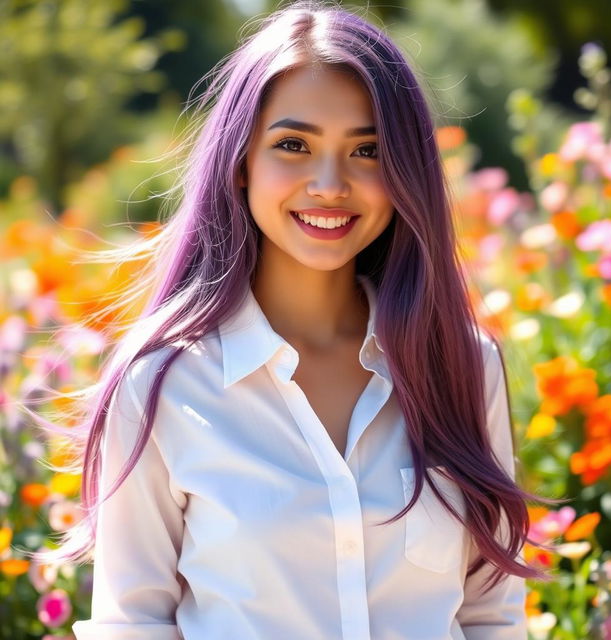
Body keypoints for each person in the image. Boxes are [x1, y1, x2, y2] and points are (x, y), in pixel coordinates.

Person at [32, 1, 546, 638]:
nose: (330, 183)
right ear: (242, 160)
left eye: (368, 151)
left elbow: (490, 617)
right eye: (293, 145)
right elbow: (133, 624)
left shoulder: (464, 366)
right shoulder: (161, 385)